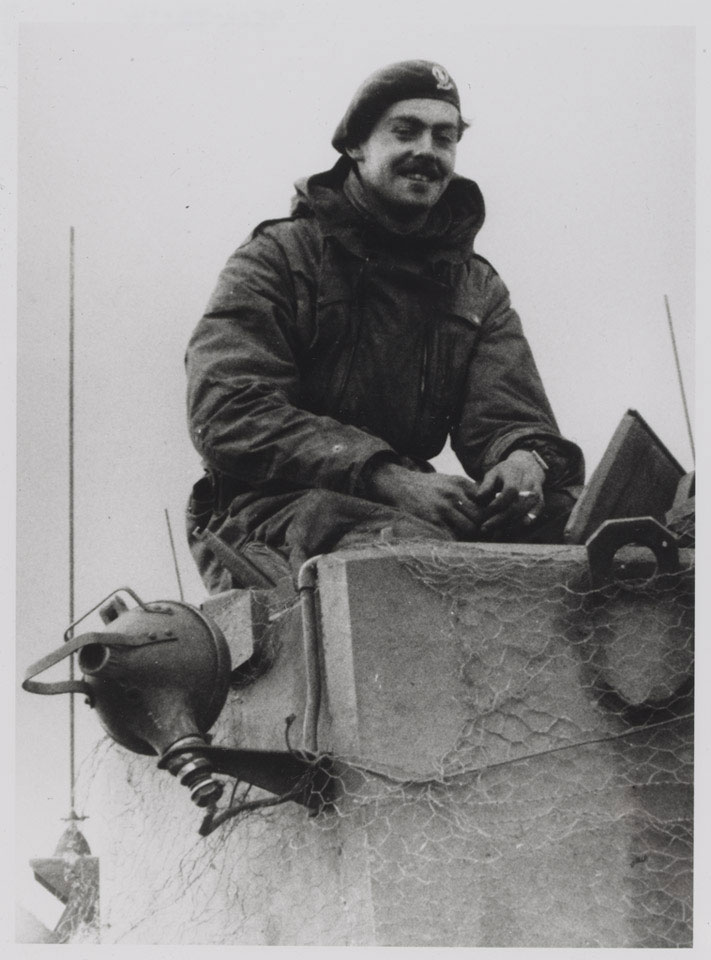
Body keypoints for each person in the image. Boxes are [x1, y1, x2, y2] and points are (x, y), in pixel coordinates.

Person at [185, 60, 584, 594]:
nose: (427, 150)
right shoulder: (279, 258)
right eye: (405, 131)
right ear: (355, 145)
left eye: (444, 138)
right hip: (269, 508)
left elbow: (506, 416)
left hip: (409, 506)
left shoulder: (475, 287)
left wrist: (523, 461)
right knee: (412, 563)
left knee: (601, 533)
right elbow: (227, 411)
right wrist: (387, 477)